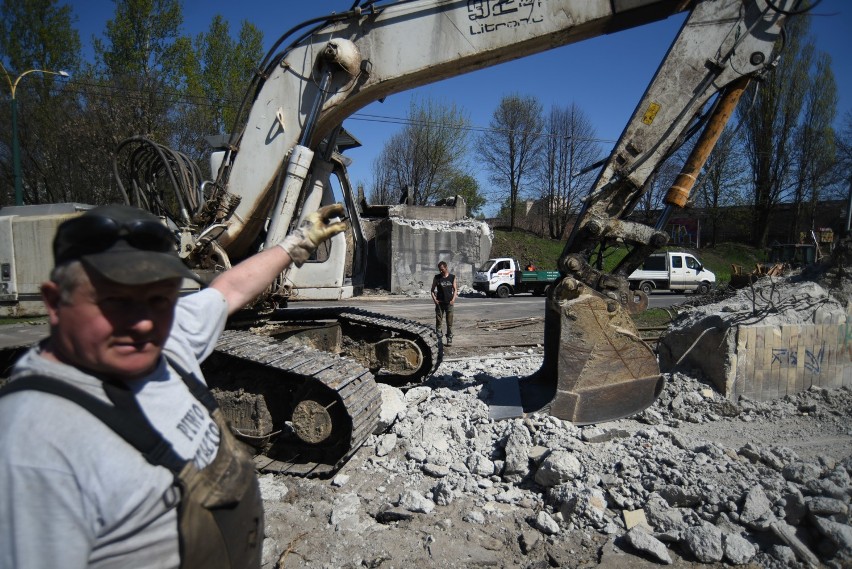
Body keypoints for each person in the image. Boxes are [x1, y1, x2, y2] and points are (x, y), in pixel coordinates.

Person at [0, 203, 347, 569]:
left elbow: (228, 289)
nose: (143, 323)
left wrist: (297, 244)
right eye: (115, 301)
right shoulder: (33, 445)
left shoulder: (170, 336)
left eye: (158, 299)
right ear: (55, 303)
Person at [430, 261, 458, 346]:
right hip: (440, 303)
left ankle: (449, 338)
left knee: (449, 322)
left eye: (442, 269)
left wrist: (453, 299)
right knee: (439, 322)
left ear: (446, 268)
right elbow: (432, 290)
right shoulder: (437, 277)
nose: (441, 271)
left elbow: (455, 289)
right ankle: (439, 338)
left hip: (449, 303)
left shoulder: (452, 277)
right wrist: (435, 300)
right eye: (439, 270)